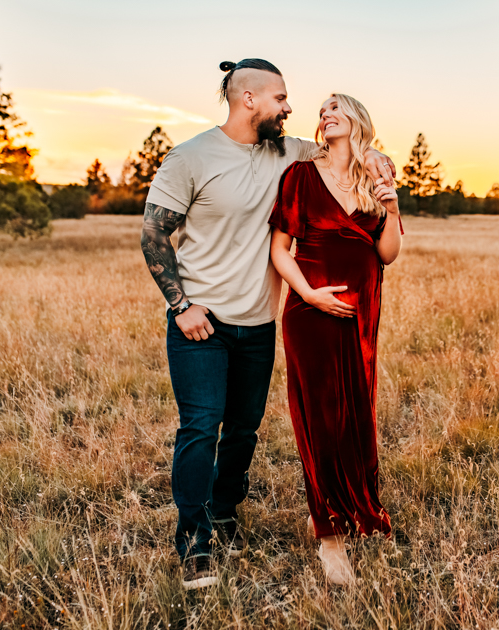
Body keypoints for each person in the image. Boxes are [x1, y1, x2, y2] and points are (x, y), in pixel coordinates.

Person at [140, 61, 395, 591]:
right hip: (202, 320)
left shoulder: (285, 150)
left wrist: (375, 158)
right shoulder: (190, 157)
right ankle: (194, 544)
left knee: (243, 430)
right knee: (200, 427)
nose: (290, 107)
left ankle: (226, 515)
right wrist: (180, 305)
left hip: (257, 322)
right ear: (249, 97)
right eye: (281, 98)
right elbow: (153, 236)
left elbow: (344, 150)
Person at [269, 93, 403, 585]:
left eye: (336, 107)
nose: (325, 114)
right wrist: (308, 293)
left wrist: (391, 206)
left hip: (363, 313)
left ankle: (352, 505)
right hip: (310, 309)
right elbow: (280, 250)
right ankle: (328, 535)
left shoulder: (375, 177)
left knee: (356, 414)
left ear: (357, 120)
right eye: (322, 109)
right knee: (319, 417)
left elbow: (387, 254)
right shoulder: (301, 175)